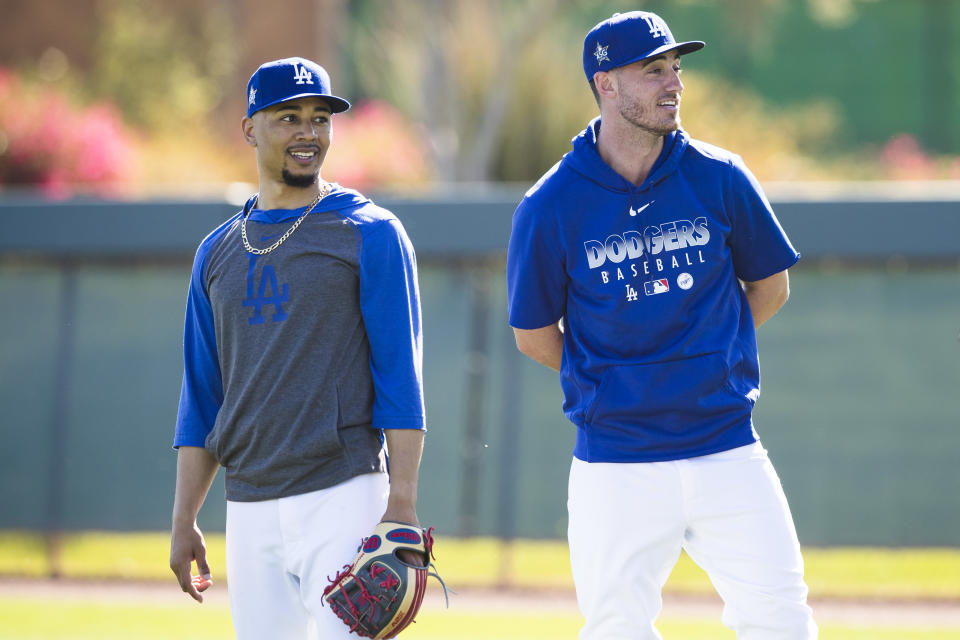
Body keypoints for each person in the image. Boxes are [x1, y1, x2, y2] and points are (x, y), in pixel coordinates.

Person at [506, 11, 817, 640]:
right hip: (617, 462)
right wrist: (618, 379)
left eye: (675, 67)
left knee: (781, 620)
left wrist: (706, 351)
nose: (672, 81)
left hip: (726, 446)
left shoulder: (720, 174)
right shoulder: (549, 204)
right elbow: (534, 335)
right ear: (607, 84)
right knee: (617, 628)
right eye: (653, 70)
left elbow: (771, 286)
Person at [169, 57, 427, 640]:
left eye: (320, 117)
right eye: (289, 118)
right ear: (250, 129)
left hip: (343, 494)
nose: (309, 132)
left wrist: (403, 503)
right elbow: (202, 395)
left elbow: (399, 378)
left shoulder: (370, 231)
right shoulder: (215, 253)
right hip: (250, 502)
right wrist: (184, 517)